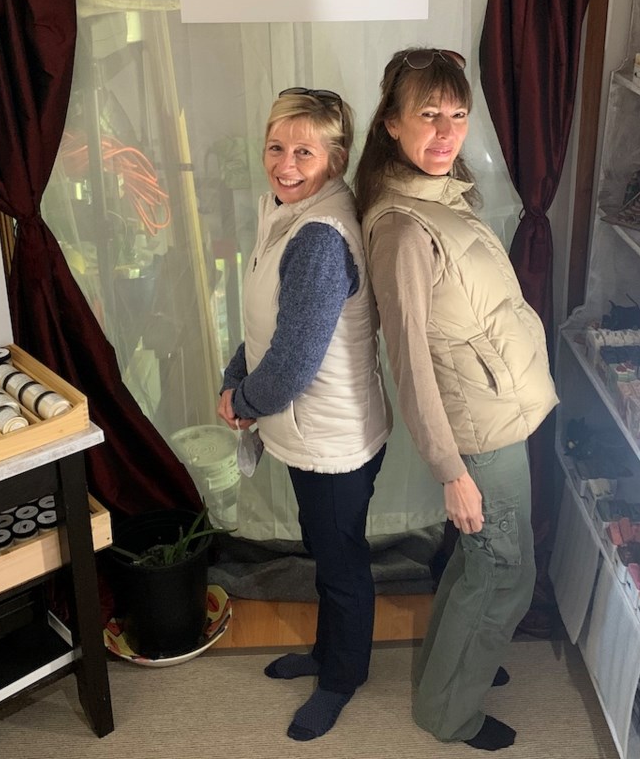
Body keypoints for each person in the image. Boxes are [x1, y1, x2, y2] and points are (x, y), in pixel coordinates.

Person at [353, 49, 558, 752]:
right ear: (391, 124)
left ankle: (449, 672)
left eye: (458, 115)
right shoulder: (404, 228)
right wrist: (451, 472)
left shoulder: (442, 197)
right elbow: (408, 361)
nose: (446, 133)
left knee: (482, 566)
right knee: (504, 574)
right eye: (428, 116)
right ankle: (450, 713)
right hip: (478, 430)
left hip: (497, 410)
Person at [217, 87, 391, 742]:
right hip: (307, 430)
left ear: (336, 158)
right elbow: (270, 324)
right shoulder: (286, 210)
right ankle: (326, 653)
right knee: (325, 549)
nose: (285, 163)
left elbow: (292, 363)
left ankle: (342, 679)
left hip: (335, 437)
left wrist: (244, 400)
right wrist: (238, 373)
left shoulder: (319, 235)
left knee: (341, 562)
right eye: (276, 147)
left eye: (304, 152)